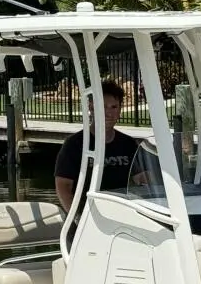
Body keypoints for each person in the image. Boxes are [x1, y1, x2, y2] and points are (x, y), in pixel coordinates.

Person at [54, 79, 143, 213]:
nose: (109, 113)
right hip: (86, 218)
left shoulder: (128, 144)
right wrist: (77, 218)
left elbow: (142, 179)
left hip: (121, 215)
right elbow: (63, 187)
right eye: (103, 106)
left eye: (114, 107)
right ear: (91, 107)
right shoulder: (74, 144)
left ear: (120, 109)